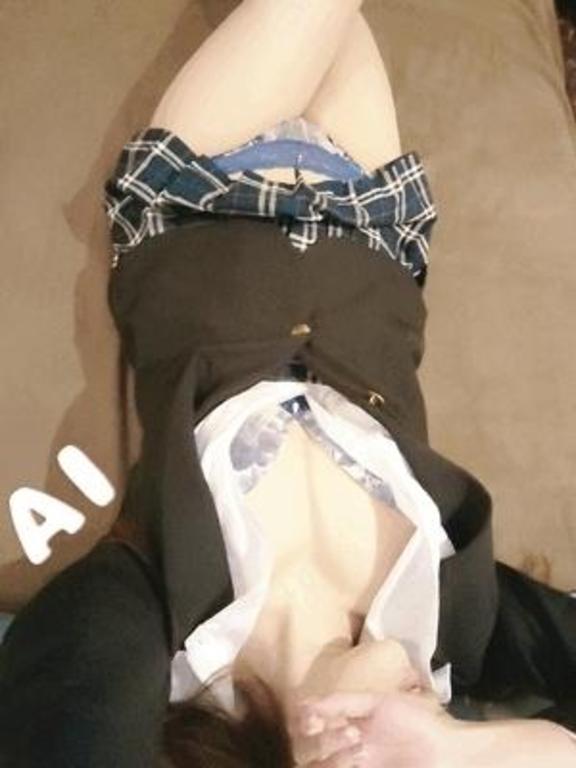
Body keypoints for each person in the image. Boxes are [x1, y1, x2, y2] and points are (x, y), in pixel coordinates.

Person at [0, 1, 575, 766]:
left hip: (200, 196)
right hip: (371, 224)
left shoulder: (165, 634)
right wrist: (460, 749)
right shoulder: (455, 620)